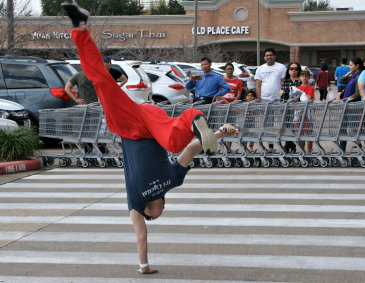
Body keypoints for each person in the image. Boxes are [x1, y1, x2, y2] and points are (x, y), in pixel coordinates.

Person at [61, 2, 238, 275]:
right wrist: (220, 133)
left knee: (101, 81)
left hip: (130, 126)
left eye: (148, 217)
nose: (150, 216)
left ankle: (80, 26)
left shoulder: (136, 201)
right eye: (153, 215)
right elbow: (193, 147)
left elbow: (141, 236)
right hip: (153, 125)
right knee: (173, 142)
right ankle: (192, 117)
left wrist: (143, 266)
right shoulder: (172, 180)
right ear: (163, 205)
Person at [64, 70, 108, 154]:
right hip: (84, 108)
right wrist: (76, 99)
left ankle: (102, 150)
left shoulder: (97, 74)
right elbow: (67, 87)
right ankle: (89, 151)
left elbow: (104, 88)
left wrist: (102, 101)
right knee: (87, 131)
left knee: (98, 130)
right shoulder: (78, 75)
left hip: (96, 107)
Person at [338, 57, 365, 151]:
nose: (349, 67)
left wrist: (348, 99)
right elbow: (341, 81)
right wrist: (349, 72)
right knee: (343, 128)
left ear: (357, 66)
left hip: (353, 106)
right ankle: (342, 150)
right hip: (347, 105)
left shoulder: (359, 77)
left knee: (353, 129)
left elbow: (358, 93)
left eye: (351, 65)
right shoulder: (353, 76)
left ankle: (359, 148)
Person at [295, 71, 315, 153]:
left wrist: (299, 100)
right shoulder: (298, 88)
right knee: (300, 133)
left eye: (306, 76)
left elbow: (308, 98)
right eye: (302, 76)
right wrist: (300, 100)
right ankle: (301, 151)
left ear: (309, 78)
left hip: (307, 113)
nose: (304, 77)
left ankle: (309, 152)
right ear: (300, 78)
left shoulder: (310, 88)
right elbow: (294, 100)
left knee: (308, 133)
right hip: (298, 113)